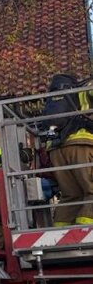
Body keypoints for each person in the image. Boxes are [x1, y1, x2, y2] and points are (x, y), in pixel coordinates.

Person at [42, 73, 93, 226]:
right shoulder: (87, 87)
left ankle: (60, 233)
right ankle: (85, 231)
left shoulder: (57, 98)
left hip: (56, 149)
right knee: (91, 190)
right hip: (82, 144)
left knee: (71, 195)